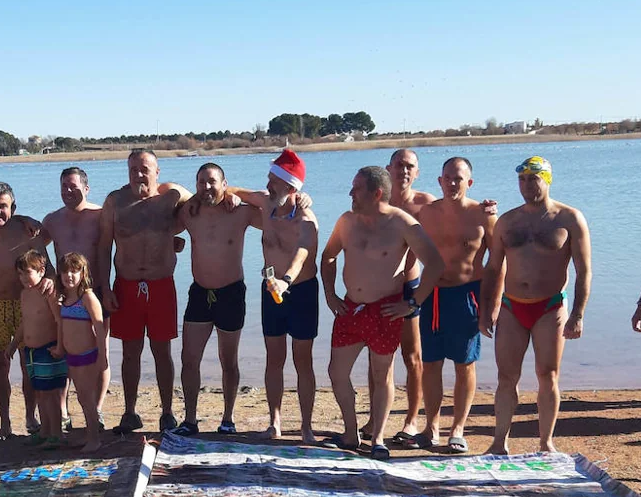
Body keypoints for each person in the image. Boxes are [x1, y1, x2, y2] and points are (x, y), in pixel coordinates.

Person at [321, 166, 443, 459]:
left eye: (356, 188)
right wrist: (329, 294)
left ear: (376, 193)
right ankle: (350, 434)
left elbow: (435, 265)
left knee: (382, 374)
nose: (350, 193)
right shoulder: (346, 221)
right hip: (351, 308)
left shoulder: (402, 223)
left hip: (385, 310)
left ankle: (377, 438)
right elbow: (328, 256)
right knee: (337, 372)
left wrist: (412, 304)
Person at [480, 157, 592, 454]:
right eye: (522, 180)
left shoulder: (569, 218)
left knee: (548, 375)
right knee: (506, 377)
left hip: (550, 308)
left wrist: (578, 314)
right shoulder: (507, 220)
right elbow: (492, 268)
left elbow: (584, 270)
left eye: (534, 179)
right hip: (511, 307)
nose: (527, 185)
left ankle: (545, 443)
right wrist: (486, 310)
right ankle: (499, 442)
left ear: (547, 180)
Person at [97, 149, 190, 433]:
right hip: (126, 285)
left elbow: (204, 201)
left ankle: (167, 412)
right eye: (133, 168)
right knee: (130, 352)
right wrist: (104, 287)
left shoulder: (170, 196)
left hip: (161, 285)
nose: (139, 173)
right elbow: (103, 247)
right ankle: (130, 412)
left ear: (157, 171)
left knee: (163, 351)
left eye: (145, 168)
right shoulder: (116, 201)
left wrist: (176, 238)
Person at [414, 158, 494, 453]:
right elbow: (406, 244)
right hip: (433, 294)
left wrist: (492, 305)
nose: (452, 183)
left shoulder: (483, 214)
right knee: (430, 364)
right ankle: (430, 427)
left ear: (469, 182)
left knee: (464, 363)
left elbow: (498, 262)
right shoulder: (427, 213)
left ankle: (457, 428)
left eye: (458, 179)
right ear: (439, 181)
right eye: (447, 178)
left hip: (467, 294)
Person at [173, 162, 258, 436]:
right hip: (199, 292)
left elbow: (274, 213)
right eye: (201, 182)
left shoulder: (240, 212)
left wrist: (237, 193)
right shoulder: (189, 211)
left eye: (212, 182)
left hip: (231, 293)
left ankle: (228, 418)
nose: (206, 187)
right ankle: (189, 420)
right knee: (189, 358)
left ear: (224, 183)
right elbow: (163, 205)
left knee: (228, 360)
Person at [0, 181, 52, 439]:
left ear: (13, 207)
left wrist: (52, 284)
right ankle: (5, 422)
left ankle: (30, 416)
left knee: (29, 366)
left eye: (3, 206)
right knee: (0, 365)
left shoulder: (28, 232)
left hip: (25, 305)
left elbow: (45, 267)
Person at [258, 150, 320, 444]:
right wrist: (230, 197)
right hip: (271, 289)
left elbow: (302, 253)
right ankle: (275, 420)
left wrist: (286, 281)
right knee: (274, 358)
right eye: (270, 178)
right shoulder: (264, 205)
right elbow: (227, 190)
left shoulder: (306, 219)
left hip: (301, 291)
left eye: (274, 180)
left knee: (302, 359)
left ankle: (306, 425)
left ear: (291, 188)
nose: (268, 184)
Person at [43, 167, 109, 424]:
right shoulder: (52, 220)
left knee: (99, 348)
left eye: (73, 186)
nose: (68, 192)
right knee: (68, 347)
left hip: (96, 291)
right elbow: (35, 246)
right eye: (64, 187)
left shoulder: (100, 216)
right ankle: (63, 411)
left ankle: (97, 408)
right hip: (65, 294)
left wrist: (172, 243)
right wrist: (49, 274)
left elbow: (122, 242)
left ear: (86, 188)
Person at [8, 250, 66, 449]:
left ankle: (56, 433)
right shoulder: (25, 294)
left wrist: (60, 346)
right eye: (20, 274)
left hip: (48, 350)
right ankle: (45, 431)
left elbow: (59, 320)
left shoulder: (48, 291)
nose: (23, 278)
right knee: (40, 393)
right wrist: (14, 343)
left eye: (28, 273)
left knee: (52, 394)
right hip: (30, 351)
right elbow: (25, 322)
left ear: (41, 272)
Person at [56, 253, 107, 453]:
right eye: (65, 272)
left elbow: (100, 328)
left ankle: (95, 439)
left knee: (87, 398)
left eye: (74, 271)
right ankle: (89, 435)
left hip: (87, 356)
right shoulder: (65, 298)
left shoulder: (88, 296)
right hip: (73, 357)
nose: (69, 275)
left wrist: (103, 357)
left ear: (82, 273)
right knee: (82, 398)